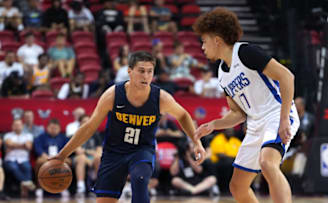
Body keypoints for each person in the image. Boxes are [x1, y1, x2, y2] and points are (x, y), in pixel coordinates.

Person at [51, 51, 206, 203]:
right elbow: (89, 127)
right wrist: (62, 155)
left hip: (142, 150)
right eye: (141, 71)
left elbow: (184, 116)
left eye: (149, 71)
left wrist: (196, 142)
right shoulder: (112, 95)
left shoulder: (161, 98)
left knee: (139, 180)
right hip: (114, 153)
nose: (146, 76)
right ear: (129, 71)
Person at [193, 8, 300, 203]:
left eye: (204, 40)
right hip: (255, 123)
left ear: (217, 40)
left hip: (276, 113)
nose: (202, 47)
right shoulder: (222, 73)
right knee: (237, 186)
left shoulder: (245, 52)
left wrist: (284, 118)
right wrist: (213, 125)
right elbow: (238, 114)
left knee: (268, 164)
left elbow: (286, 76)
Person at [3, 119, 35, 197]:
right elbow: (9, 144)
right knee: (14, 168)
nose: (17, 127)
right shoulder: (7, 135)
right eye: (15, 125)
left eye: (19, 125)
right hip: (10, 159)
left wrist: (14, 145)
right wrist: (23, 145)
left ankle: (25, 190)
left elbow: (29, 146)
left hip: (24, 159)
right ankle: (27, 183)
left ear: (22, 126)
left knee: (27, 167)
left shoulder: (28, 135)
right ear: (12, 126)